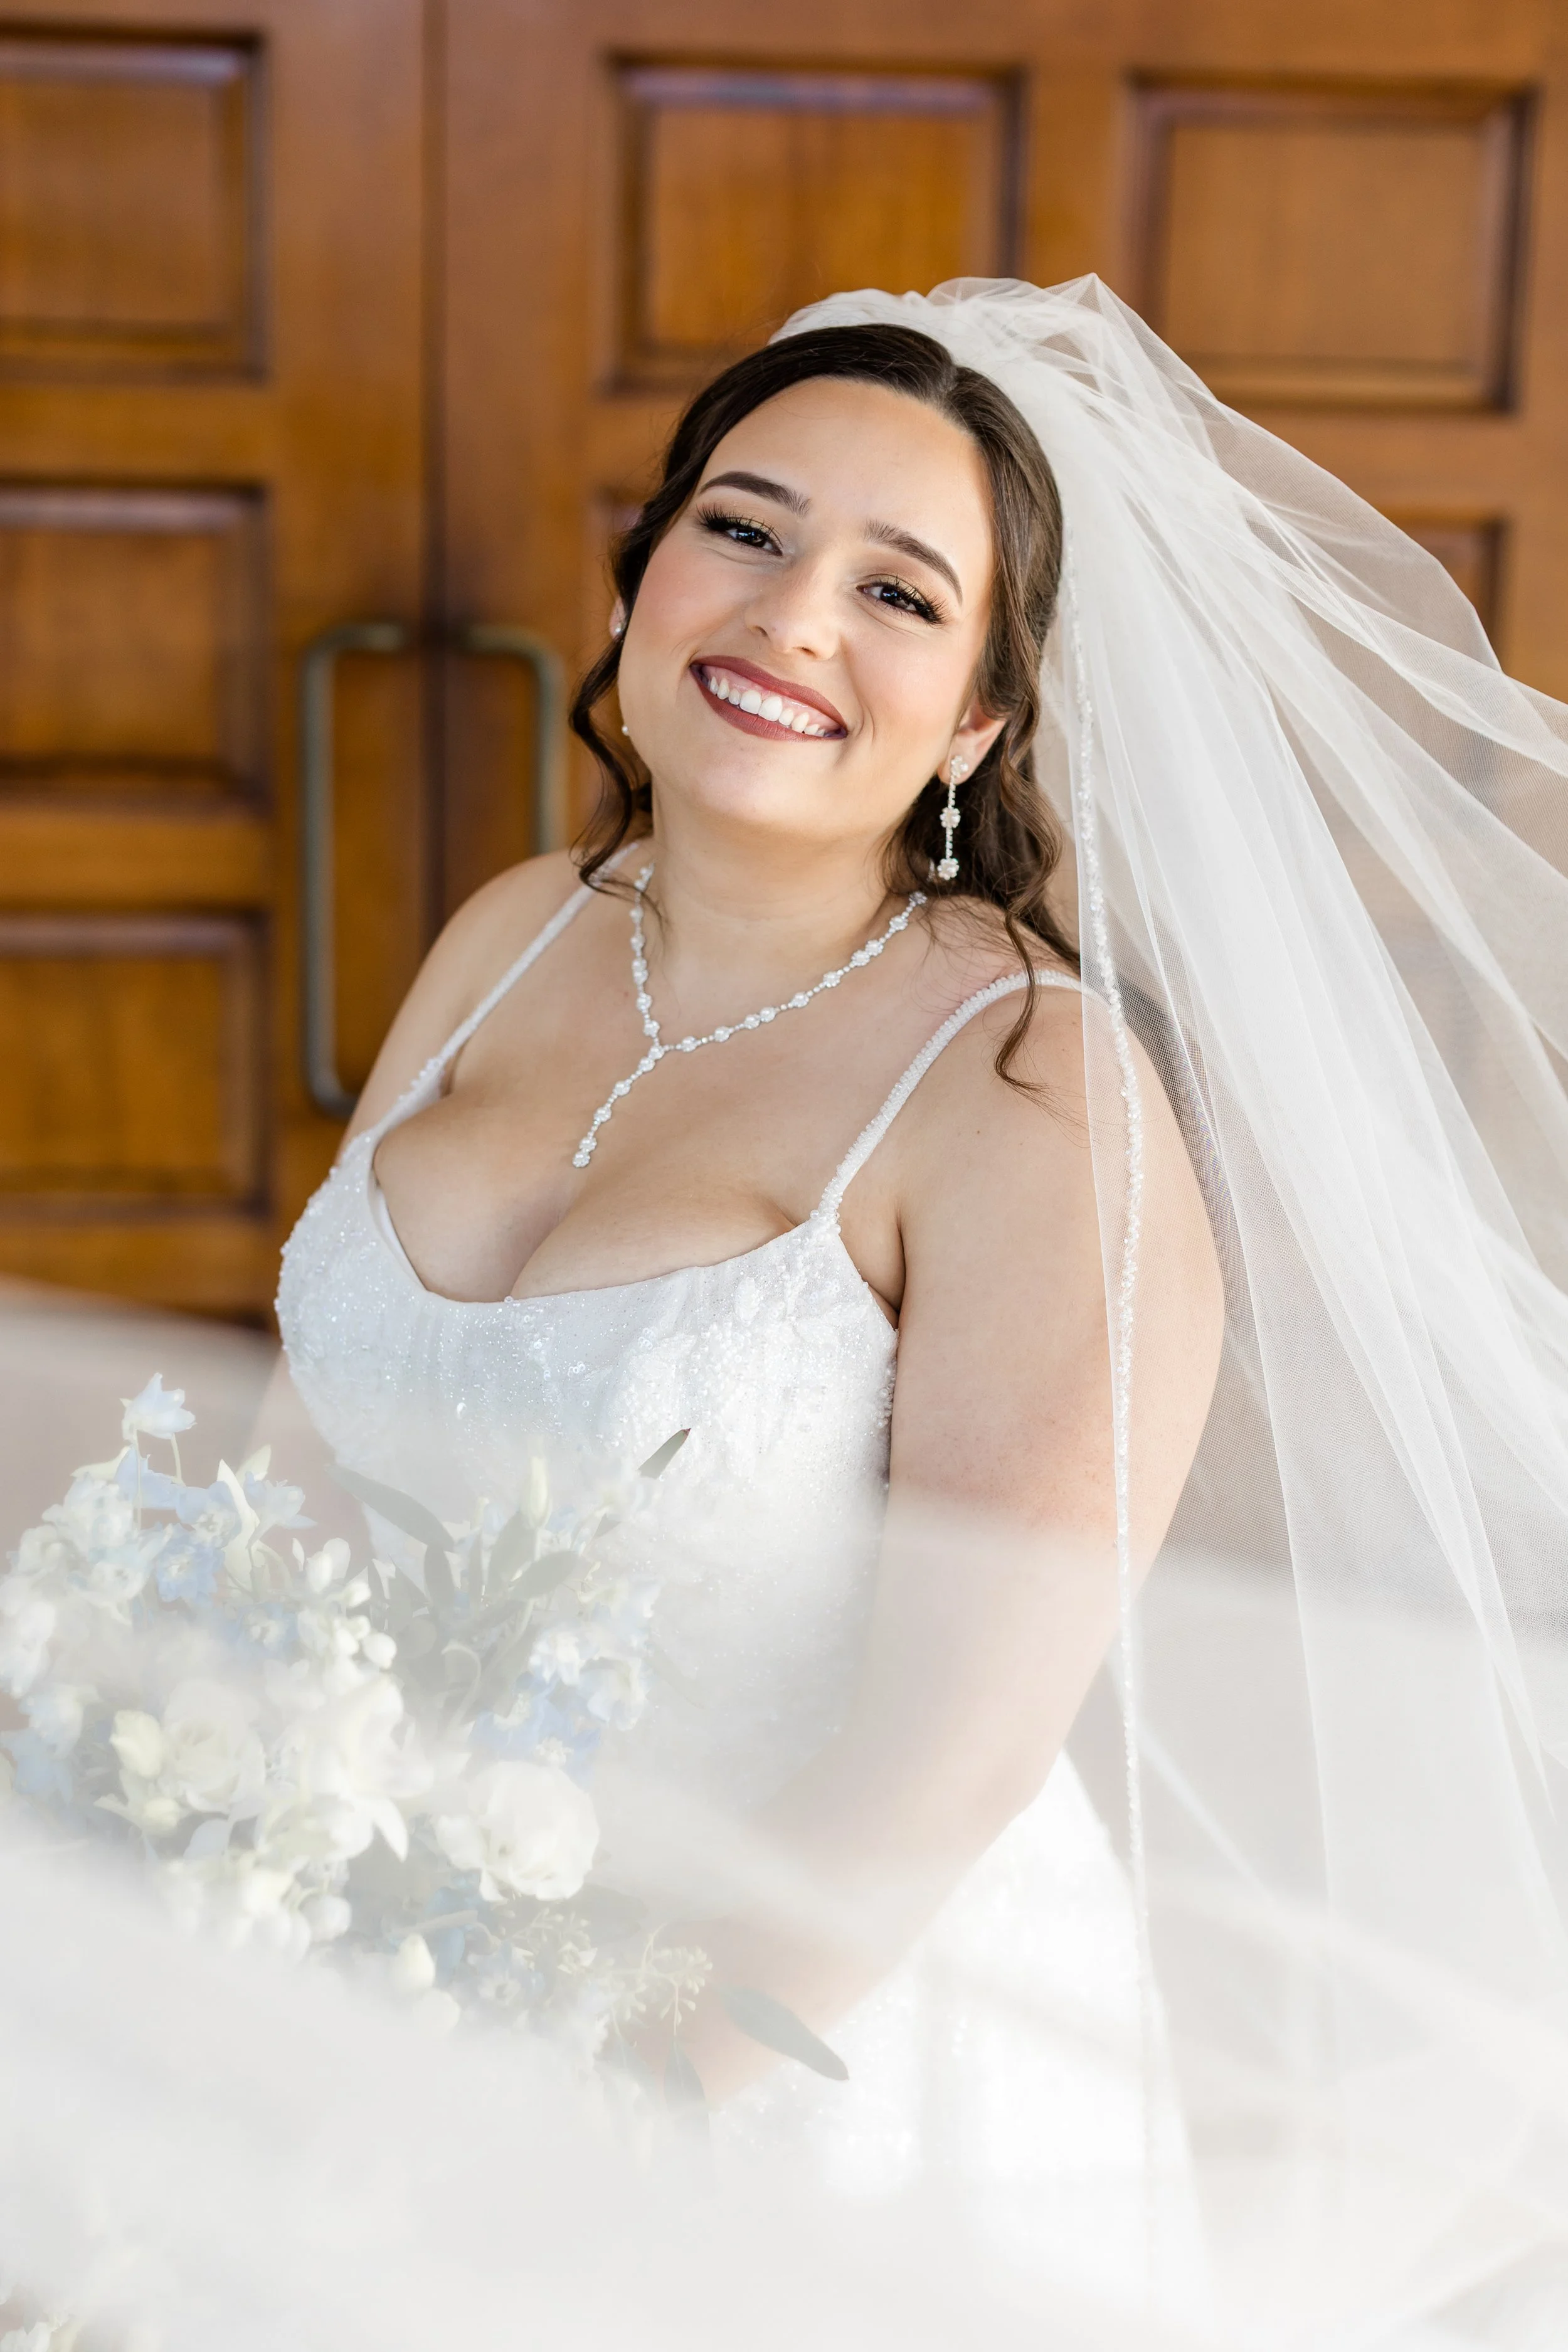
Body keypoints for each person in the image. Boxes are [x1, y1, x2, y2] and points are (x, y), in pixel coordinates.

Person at [275, 278, 1568, 2340]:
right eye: (747, 527)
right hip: (371, 1966)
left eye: (898, 589)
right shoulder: (512, 929)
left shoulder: (1027, 1094)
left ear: (977, 713)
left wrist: (587, 2096)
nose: (791, 619)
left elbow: (943, 1759)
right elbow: (323, 1451)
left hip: (796, 2067)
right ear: (639, 582)